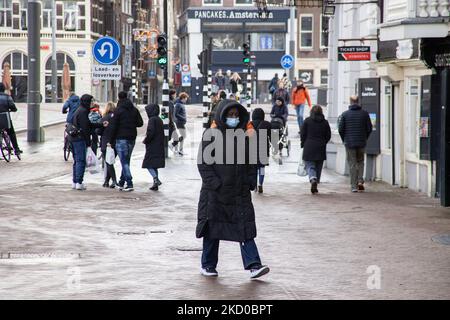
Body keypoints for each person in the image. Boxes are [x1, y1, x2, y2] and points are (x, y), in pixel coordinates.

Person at [197, 99, 270, 279]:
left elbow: (252, 161)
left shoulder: (246, 136)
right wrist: (215, 184)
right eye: (230, 115)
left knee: (244, 228)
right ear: (222, 116)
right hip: (215, 194)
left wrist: (250, 181)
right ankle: (208, 265)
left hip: (239, 192)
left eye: (236, 115)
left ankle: (254, 265)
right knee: (213, 229)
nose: (234, 118)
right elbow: (203, 164)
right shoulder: (211, 135)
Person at [69, 94, 106, 191]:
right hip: (79, 139)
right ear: (87, 102)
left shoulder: (79, 109)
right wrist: (88, 143)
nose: (92, 103)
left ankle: (75, 181)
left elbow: (88, 124)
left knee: (76, 160)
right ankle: (79, 182)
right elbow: (86, 127)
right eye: (91, 101)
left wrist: (100, 125)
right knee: (81, 160)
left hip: (73, 138)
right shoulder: (83, 111)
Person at [109, 91, 144, 192]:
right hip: (132, 137)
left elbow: (113, 126)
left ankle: (129, 183)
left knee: (124, 161)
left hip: (121, 138)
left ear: (118, 98)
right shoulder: (134, 110)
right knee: (126, 161)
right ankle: (121, 181)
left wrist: (111, 141)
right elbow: (140, 123)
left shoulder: (118, 110)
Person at [338, 95, 373, 193]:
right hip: (361, 142)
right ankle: (360, 181)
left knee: (352, 163)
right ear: (358, 101)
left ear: (350, 102)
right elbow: (369, 128)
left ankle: (354, 186)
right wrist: (364, 137)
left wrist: (344, 139)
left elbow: (341, 129)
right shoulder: (365, 114)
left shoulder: (345, 114)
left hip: (349, 142)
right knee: (361, 161)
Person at [301, 105, 331, 194]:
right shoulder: (325, 122)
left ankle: (313, 178)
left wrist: (303, 143)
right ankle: (316, 182)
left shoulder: (307, 121)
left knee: (310, 165)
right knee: (318, 166)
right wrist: (323, 142)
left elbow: (302, 134)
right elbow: (328, 135)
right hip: (321, 146)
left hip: (309, 146)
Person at [142, 104, 165, 191]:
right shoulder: (159, 119)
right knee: (154, 165)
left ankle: (156, 179)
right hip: (159, 145)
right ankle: (155, 184)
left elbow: (150, 132)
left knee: (148, 164)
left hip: (152, 145)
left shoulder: (152, 120)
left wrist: (146, 140)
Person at [250, 108, 272, 194]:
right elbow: (272, 137)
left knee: (254, 168)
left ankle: (254, 185)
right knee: (262, 168)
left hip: (252, 149)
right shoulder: (267, 124)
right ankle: (260, 184)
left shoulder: (250, 124)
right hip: (263, 149)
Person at [97, 101, 118, 189]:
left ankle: (114, 180)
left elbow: (98, 131)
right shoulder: (116, 118)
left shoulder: (104, 118)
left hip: (106, 142)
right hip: (115, 142)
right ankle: (106, 181)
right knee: (110, 161)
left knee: (108, 162)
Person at [0, 82, 22, 154]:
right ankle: (16, 149)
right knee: (11, 132)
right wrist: (12, 110)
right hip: (5, 118)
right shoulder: (7, 97)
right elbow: (13, 107)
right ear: (3, 89)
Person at [173, 92, 189, 156]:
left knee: (183, 136)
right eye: (186, 98)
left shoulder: (181, 104)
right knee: (184, 136)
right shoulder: (178, 104)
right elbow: (176, 114)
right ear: (183, 98)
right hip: (179, 122)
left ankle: (180, 150)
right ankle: (174, 145)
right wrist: (183, 119)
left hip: (181, 122)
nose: (186, 100)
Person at [168, 89, 178, 155]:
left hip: (169, 122)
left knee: (168, 137)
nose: (175, 95)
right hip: (170, 123)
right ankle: (170, 146)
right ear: (172, 95)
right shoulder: (170, 103)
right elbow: (170, 113)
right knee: (175, 137)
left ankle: (170, 146)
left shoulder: (170, 102)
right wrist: (172, 122)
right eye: (175, 94)